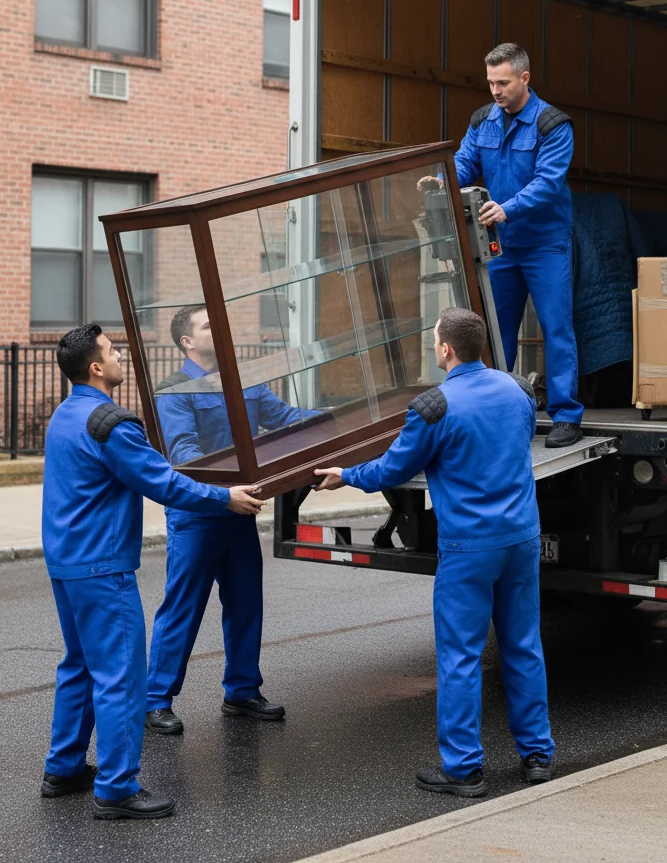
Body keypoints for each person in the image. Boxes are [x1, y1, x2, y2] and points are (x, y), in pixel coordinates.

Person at [314, 306, 555, 797]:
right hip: (521, 539)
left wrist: (346, 475)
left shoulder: (434, 407)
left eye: (434, 340)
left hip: (470, 548)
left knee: (461, 656)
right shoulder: (518, 391)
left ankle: (464, 769)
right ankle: (537, 756)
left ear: (445, 349)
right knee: (523, 646)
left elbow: (392, 469)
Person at [41, 323, 264, 820]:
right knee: (120, 674)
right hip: (101, 564)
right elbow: (163, 481)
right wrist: (223, 497)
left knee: (79, 664)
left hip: (66, 561)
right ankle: (117, 788)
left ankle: (64, 768)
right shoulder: (111, 424)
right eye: (111, 351)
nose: (119, 355)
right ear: (95, 367)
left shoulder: (65, 413)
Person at [144, 305, 316, 735]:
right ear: (187, 341)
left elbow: (286, 420)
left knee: (245, 602)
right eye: (207, 326)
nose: (218, 329)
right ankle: (155, 701)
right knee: (183, 606)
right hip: (197, 515)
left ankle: (241, 691)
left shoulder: (245, 381)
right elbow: (184, 454)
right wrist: (223, 494)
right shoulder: (174, 390)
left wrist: (341, 416)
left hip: (239, 511)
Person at [454, 42, 583, 448]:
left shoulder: (552, 125)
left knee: (555, 328)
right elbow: (464, 163)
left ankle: (565, 416)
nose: (495, 90)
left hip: (545, 244)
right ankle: (496, 413)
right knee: (496, 332)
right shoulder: (482, 121)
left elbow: (548, 182)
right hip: (502, 246)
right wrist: (441, 180)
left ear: (524, 78)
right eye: (491, 82)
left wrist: (507, 208)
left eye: (503, 83)